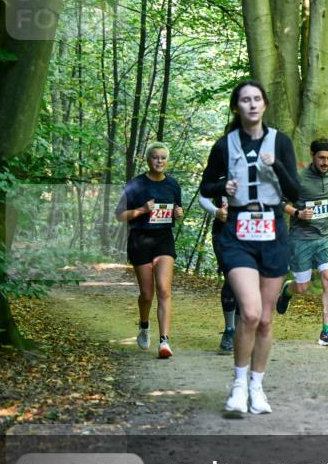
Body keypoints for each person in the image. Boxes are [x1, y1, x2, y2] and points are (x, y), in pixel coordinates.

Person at [199, 80, 300, 415]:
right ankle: (238, 385)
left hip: (273, 231)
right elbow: (206, 185)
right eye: (245, 100)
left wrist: (277, 166)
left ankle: (257, 386)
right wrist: (222, 186)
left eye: (257, 99)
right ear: (236, 107)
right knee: (251, 312)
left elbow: (296, 193)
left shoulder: (280, 142)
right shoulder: (224, 145)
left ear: (265, 105)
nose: (252, 105)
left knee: (267, 320)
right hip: (238, 233)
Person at [275, 139, 328, 347]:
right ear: (312, 156)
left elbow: (325, 203)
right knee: (303, 286)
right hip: (301, 237)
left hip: (324, 236)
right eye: (321, 158)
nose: (325, 162)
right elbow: (279, 202)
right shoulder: (298, 177)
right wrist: (297, 213)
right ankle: (289, 289)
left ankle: (326, 331)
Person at [115, 142, 183, 359]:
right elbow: (119, 215)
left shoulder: (173, 185)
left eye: (163, 157)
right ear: (148, 159)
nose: (159, 161)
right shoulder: (135, 185)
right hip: (140, 239)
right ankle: (144, 326)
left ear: (167, 160)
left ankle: (164, 341)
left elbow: (175, 211)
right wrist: (142, 210)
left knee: (164, 289)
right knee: (147, 294)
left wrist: (178, 214)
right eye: (155, 157)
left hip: (164, 239)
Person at [198, 190, 238, 353]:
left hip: (251, 232)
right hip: (223, 233)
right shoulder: (219, 170)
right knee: (233, 278)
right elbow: (203, 195)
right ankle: (230, 330)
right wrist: (216, 211)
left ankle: (240, 331)